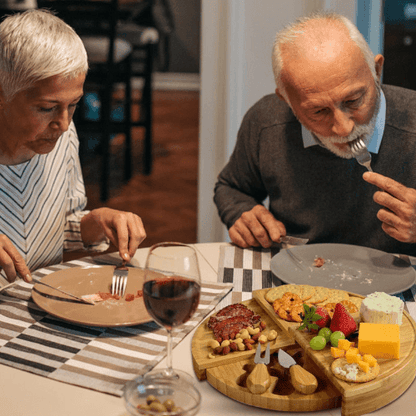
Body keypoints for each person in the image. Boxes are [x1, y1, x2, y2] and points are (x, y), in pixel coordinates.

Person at [214, 12, 416, 256]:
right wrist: (241, 213)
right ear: (286, 100)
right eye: (319, 111)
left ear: (376, 70)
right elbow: (232, 188)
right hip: (297, 283)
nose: (344, 129)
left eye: (353, 100)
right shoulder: (266, 122)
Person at [0, 9, 146, 285]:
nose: (64, 124)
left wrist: (98, 221)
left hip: (36, 304)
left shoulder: (61, 136)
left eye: (74, 105)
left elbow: (59, 226)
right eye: (46, 108)